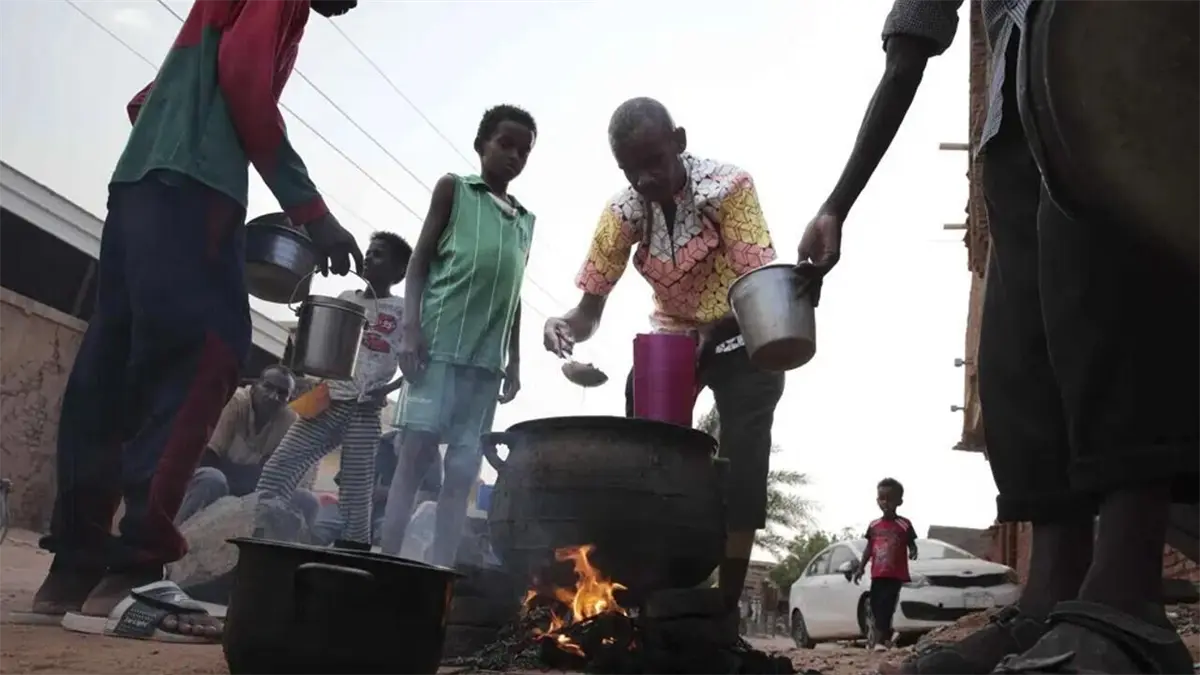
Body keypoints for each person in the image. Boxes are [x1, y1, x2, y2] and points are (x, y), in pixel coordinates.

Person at [801, 2, 1200, 673]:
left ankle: (1128, 599)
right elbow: (913, 39)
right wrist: (839, 202)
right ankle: (1052, 595)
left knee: (1107, 287)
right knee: (1020, 347)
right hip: (1014, 110)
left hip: (1115, 46)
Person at [25, 0, 362, 643]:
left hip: (139, 184)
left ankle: (75, 569)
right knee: (205, 354)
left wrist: (179, 136)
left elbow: (149, 98)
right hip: (195, 188)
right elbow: (241, 79)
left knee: (113, 367)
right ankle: (135, 575)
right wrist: (311, 211)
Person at [542, 97, 783, 616]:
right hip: (673, 339)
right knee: (647, 458)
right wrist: (564, 325)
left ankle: (722, 606)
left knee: (743, 463)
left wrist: (712, 336)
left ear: (679, 141)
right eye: (631, 169)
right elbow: (590, 309)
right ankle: (644, 594)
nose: (645, 178)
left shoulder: (730, 188)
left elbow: (758, 285)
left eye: (654, 161)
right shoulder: (622, 212)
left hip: (741, 331)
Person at [379, 104, 538, 568]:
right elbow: (419, 262)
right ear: (481, 144)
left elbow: (514, 292)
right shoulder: (455, 190)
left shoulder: (525, 221)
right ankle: (387, 562)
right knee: (415, 456)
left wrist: (516, 358)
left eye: (523, 150)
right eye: (504, 144)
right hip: (437, 349)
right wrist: (410, 331)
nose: (513, 156)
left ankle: (439, 572)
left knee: (464, 468)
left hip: (486, 365)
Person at [255, 232, 412, 550]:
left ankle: (352, 552)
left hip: (366, 407)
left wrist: (390, 389)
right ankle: (261, 532)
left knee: (356, 491)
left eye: (379, 255)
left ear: (399, 272)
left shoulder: (403, 310)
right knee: (280, 467)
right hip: (327, 397)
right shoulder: (345, 298)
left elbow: (416, 363)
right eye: (368, 252)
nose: (368, 258)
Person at [173, 365, 317, 525]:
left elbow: (278, 475)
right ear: (255, 387)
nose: (273, 396)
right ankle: (176, 534)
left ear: (289, 398)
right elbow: (209, 457)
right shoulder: (236, 402)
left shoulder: (289, 419)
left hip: (253, 490)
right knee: (213, 478)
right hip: (218, 479)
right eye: (268, 387)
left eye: (282, 393)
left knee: (306, 499)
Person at [309, 429, 443, 546]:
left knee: (388, 531)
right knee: (325, 522)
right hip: (355, 502)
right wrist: (362, 492)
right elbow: (345, 479)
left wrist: (391, 495)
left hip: (394, 512)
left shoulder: (431, 455)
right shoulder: (378, 443)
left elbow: (431, 497)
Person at [851, 478, 918, 651]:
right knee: (875, 604)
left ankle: (881, 642)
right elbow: (869, 548)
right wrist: (860, 568)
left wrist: (913, 549)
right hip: (877, 573)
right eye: (882, 498)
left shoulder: (904, 524)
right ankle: (887, 635)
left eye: (890, 499)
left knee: (887, 605)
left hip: (895, 574)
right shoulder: (873, 526)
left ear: (899, 502)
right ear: (877, 500)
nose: (885, 503)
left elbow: (911, 542)